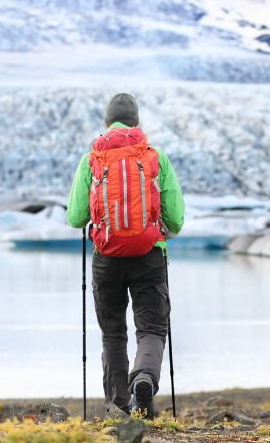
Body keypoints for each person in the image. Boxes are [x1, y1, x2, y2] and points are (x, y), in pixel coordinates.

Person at [66, 93, 185, 419]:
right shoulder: (154, 156)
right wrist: (161, 233)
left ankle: (118, 406)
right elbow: (175, 217)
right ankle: (144, 378)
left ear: (107, 122)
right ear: (136, 122)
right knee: (151, 327)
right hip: (149, 255)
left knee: (113, 333)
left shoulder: (92, 158)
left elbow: (76, 217)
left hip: (107, 258)